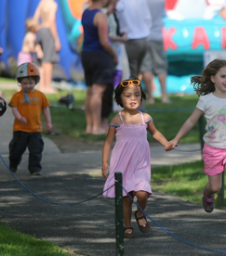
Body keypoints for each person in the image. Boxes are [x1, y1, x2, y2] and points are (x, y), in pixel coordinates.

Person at [169, 59, 226, 230]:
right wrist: (176, 139)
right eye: (223, 76)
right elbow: (190, 121)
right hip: (212, 150)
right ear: (212, 78)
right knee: (215, 186)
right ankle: (208, 193)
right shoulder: (206, 100)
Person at [102, 76, 173, 238]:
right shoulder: (117, 119)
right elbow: (107, 142)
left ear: (142, 97)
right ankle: (127, 226)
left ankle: (140, 214)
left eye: (137, 95)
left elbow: (155, 133)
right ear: (120, 98)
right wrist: (104, 162)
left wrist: (165, 143)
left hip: (140, 163)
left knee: (142, 193)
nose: (133, 99)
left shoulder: (145, 118)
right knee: (126, 198)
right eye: (128, 95)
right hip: (122, 164)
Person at [8, 62, 53, 176]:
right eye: (25, 83)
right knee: (17, 150)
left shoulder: (40, 96)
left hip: (35, 129)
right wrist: (19, 117)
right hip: (20, 129)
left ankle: (35, 169)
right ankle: (13, 164)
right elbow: (14, 108)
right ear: (20, 82)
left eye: (31, 83)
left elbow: (46, 109)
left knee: (36, 151)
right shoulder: (17, 96)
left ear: (36, 81)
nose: (28, 86)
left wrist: (48, 122)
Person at [81, 0, 118, 135]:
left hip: (86, 54)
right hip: (100, 56)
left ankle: (89, 126)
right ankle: (97, 127)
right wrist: (114, 55)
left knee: (90, 91)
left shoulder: (86, 12)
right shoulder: (100, 16)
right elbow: (104, 41)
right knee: (98, 92)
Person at [140, 0, 171, 104]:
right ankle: (164, 96)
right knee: (161, 66)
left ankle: (151, 98)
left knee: (146, 67)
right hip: (157, 35)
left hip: (144, 36)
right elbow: (164, 14)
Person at [115, 0, 152, 77]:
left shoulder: (120, 3)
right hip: (144, 38)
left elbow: (116, 17)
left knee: (131, 72)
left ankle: (133, 89)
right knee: (138, 71)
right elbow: (148, 18)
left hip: (131, 39)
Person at [33, 0, 61, 94]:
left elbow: (35, 18)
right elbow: (52, 21)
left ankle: (42, 86)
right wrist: (56, 39)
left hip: (41, 30)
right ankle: (47, 86)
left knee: (42, 60)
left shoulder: (42, 2)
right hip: (48, 31)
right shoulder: (53, 4)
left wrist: (37, 30)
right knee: (48, 61)